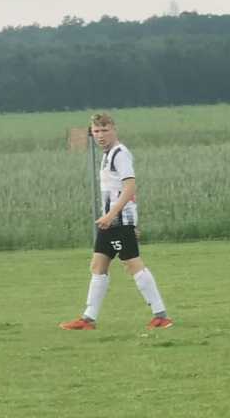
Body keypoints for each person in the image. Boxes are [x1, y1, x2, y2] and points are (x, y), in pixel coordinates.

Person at [59, 113, 174, 331]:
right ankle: (88, 319)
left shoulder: (120, 154)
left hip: (118, 221)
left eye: (105, 130)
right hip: (111, 222)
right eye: (96, 131)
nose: (100, 135)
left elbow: (130, 187)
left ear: (114, 130)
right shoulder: (107, 154)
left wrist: (115, 216)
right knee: (98, 266)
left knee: (133, 264)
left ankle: (161, 316)